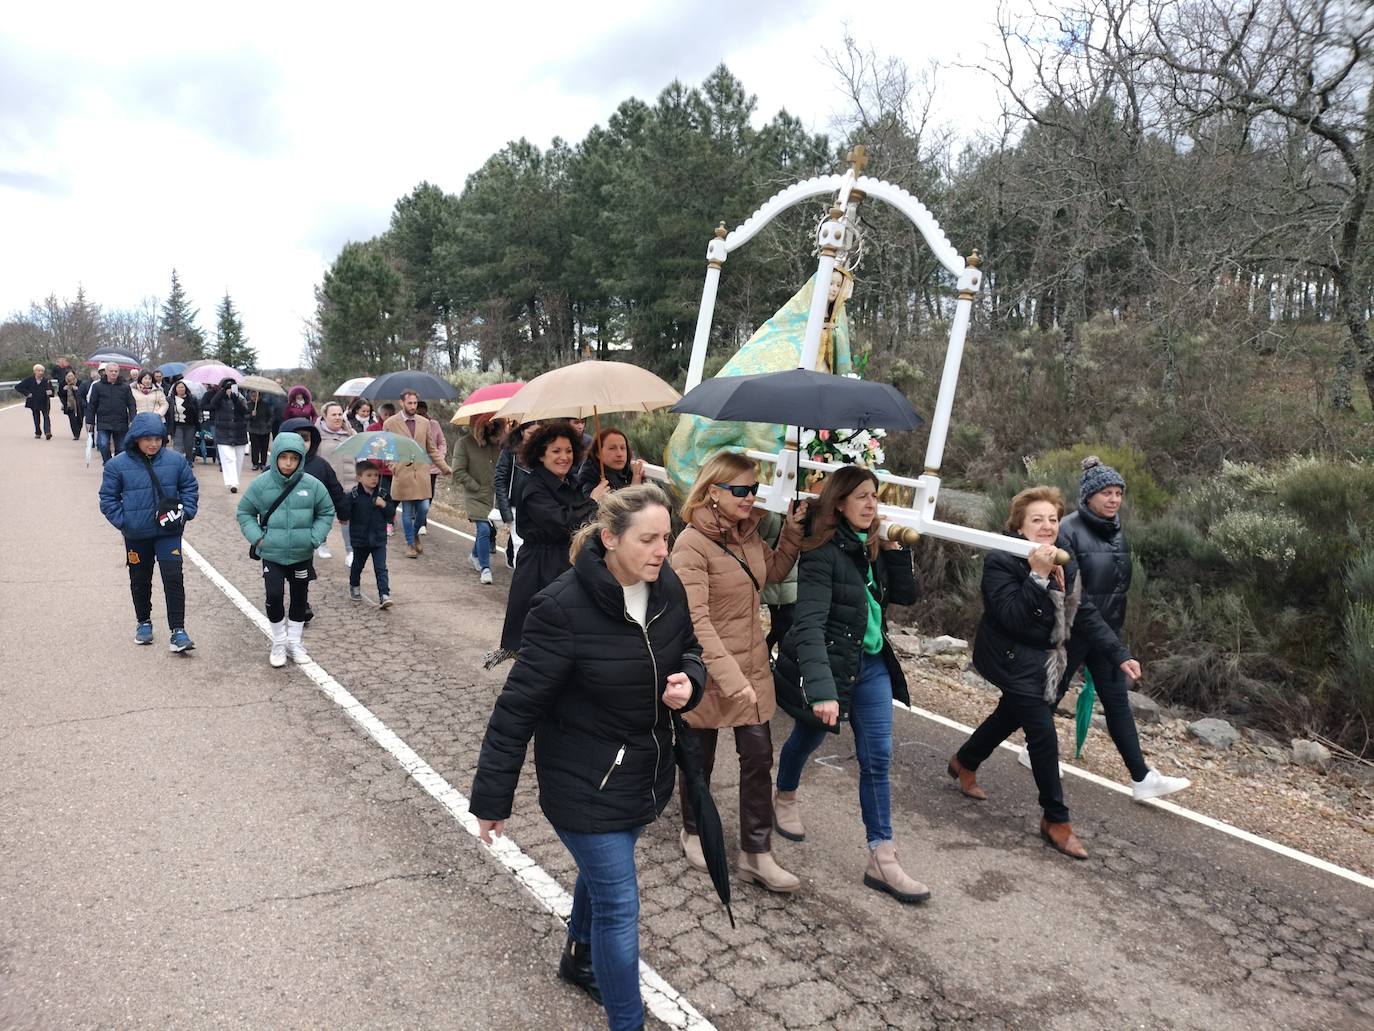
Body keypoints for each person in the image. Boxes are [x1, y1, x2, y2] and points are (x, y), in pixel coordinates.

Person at [470, 485, 705, 1031]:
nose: (660, 550)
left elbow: (691, 648)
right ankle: (628, 1023)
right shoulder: (560, 608)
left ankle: (578, 955)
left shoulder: (666, 586)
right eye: (647, 539)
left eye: (666, 537)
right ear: (609, 539)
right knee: (620, 907)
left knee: (602, 881)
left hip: (645, 773)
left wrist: (688, 682)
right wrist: (491, 798)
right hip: (584, 786)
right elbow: (516, 710)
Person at [949, 486, 1139, 861]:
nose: (1047, 526)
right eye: (1037, 519)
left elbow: (1082, 612)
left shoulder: (1064, 560)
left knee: (1009, 715)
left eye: (1052, 519)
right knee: (1042, 733)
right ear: (1019, 526)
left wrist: (1118, 654)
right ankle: (1056, 819)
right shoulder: (1002, 559)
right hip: (1009, 655)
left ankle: (965, 761)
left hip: (1044, 657)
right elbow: (1014, 618)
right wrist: (1036, 576)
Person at [773, 466, 930, 903]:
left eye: (874, 496)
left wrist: (895, 549)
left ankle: (881, 856)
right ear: (839, 502)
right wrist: (821, 690)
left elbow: (906, 594)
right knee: (808, 735)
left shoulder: (874, 547)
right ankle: (784, 793)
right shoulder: (822, 554)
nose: (870, 504)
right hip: (832, 667)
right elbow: (808, 625)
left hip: (872, 665)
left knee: (876, 757)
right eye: (860, 496)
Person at [670, 451, 806, 892]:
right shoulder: (690, 544)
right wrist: (730, 679)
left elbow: (771, 573)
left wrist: (792, 531)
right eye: (741, 490)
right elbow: (696, 621)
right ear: (713, 492)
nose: (751, 497)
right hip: (708, 668)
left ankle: (756, 852)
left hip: (751, 665)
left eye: (754, 489)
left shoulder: (747, 535)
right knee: (700, 757)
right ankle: (693, 829)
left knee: (758, 757)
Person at [1046, 458, 1190, 801]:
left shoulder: (1115, 530)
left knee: (1116, 702)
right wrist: (1116, 647)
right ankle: (1030, 748)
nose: (1113, 500)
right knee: (1049, 694)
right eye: (1106, 493)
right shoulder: (1067, 530)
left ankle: (1142, 778)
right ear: (1089, 495)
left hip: (1105, 633)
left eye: (1118, 493)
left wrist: (1114, 639)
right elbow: (1075, 597)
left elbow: (1116, 587)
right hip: (1074, 629)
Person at [488, 423, 599, 668]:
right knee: (539, 637)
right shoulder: (534, 488)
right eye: (556, 451)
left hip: (565, 563)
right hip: (540, 568)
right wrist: (593, 503)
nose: (564, 457)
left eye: (569, 451)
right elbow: (564, 523)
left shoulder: (568, 483)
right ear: (541, 454)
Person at [97, 411, 199, 651]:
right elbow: (107, 499)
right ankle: (143, 622)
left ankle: (178, 630)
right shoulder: (116, 465)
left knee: (173, 577)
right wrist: (126, 522)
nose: (153, 444)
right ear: (135, 439)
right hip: (136, 535)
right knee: (140, 580)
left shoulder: (176, 461)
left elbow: (189, 488)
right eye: (147, 439)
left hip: (168, 532)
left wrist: (185, 513)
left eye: (157, 438)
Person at [235, 433, 335, 667]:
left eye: (294, 458)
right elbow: (244, 512)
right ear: (276, 456)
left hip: (302, 554)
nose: (288, 463)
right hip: (272, 554)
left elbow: (326, 511)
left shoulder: (312, 485)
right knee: (274, 595)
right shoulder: (261, 484)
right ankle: (279, 641)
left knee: (300, 598)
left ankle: (295, 642)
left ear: (301, 459)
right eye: (283, 457)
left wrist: (315, 538)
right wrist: (259, 539)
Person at [382, 391, 451, 560]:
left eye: (415, 403)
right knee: (406, 511)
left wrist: (444, 467)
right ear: (402, 403)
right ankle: (410, 544)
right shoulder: (390, 423)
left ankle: (414, 534)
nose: (413, 406)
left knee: (424, 508)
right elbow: (386, 450)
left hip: (421, 472)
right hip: (402, 472)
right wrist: (393, 467)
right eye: (410, 403)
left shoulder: (424, 422)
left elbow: (432, 448)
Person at [279, 416, 349, 564]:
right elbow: (259, 497)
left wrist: (344, 513)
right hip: (280, 529)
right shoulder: (274, 468)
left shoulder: (321, 465)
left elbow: (335, 490)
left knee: (301, 574)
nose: (301, 443)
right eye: (296, 438)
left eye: (305, 439)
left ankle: (321, 543)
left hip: (310, 525)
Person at [451, 413, 502, 585]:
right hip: (476, 495)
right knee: (484, 529)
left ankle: (474, 555)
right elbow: (458, 471)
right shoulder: (464, 443)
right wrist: (475, 486)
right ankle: (485, 568)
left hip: (494, 496)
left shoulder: (498, 444)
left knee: (490, 530)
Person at [343, 460, 396, 609]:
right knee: (357, 565)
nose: (374, 478)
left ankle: (384, 594)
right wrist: (343, 510)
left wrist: (384, 504)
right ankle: (354, 585)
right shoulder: (353, 495)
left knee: (381, 567)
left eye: (376, 475)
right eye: (369, 475)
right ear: (359, 477)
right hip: (360, 539)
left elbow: (391, 515)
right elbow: (345, 513)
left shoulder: (383, 494)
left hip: (379, 538)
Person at [493, 420, 540, 568]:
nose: (535, 437)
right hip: (516, 505)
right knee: (520, 546)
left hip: (538, 506)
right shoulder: (510, 452)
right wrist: (506, 511)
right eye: (531, 433)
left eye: (538, 434)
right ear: (522, 432)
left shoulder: (545, 453)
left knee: (533, 548)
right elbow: (500, 480)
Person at [315, 402, 358, 562]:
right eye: (334, 414)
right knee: (325, 517)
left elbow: (359, 456)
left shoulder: (351, 433)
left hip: (350, 484)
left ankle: (350, 552)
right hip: (327, 485)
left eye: (340, 414)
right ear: (324, 416)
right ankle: (322, 543)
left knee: (347, 518)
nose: (338, 417)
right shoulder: (316, 435)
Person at [86, 363, 136, 463]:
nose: (113, 373)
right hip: (104, 421)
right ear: (106, 372)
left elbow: (131, 404)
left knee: (121, 447)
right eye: (111, 371)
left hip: (121, 421)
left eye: (116, 371)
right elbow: (92, 405)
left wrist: (133, 418)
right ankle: (108, 462)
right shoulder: (97, 386)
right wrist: (89, 421)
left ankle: (116, 464)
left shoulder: (125, 387)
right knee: (103, 444)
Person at [207, 377, 250, 492]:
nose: (230, 390)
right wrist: (223, 391)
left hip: (239, 432)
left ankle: (235, 480)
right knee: (228, 458)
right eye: (228, 388)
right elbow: (213, 403)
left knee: (238, 460)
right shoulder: (219, 400)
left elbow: (244, 411)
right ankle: (232, 482)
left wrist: (235, 398)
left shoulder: (240, 399)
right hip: (223, 433)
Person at [577, 427, 644, 497]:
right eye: (612, 448)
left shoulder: (629, 472)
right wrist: (635, 486)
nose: (619, 454)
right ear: (598, 453)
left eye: (623, 448)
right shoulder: (590, 480)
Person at [414, 400, 448, 536]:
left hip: (432, 466)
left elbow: (442, 442)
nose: (422, 414)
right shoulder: (411, 425)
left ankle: (421, 519)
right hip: (415, 466)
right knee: (416, 493)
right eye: (419, 412)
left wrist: (440, 456)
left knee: (429, 494)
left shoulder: (434, 424)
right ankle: (418, 519)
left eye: (423, 412)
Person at [16, 363, 56, 439]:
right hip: (33, 401)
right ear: (35, 371)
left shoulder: (46, 381)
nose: (40, 372)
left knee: (46, 416)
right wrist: (27, 393)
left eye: (42, 371)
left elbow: (52, 391)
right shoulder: (29, 380)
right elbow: (18, 387)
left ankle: (48, 432)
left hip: (45, 401)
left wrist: (51, 393)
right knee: (36, 417)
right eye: (39, 371)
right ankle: (38, 432)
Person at [164, 380, 201, 459]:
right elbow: (167, 414)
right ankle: (178, 461)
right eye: (179, 387)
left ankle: (189, 461)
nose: (181, 389)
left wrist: (198, 423)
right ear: (175, 389)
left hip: (190, 425)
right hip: (177, 425)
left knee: (189, 445)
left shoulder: (192, 398)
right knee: (178, 445)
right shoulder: (170, 399)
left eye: (182, 387)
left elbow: (197, 411)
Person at [247, 390, 274, 471]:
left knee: (264, 447)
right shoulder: (248, 405)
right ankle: (255, 463)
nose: (254, 398)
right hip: (253, 428)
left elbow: (271, 416)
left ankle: (263, 463)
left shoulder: (266, 405)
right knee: (254, 447)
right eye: (252, 396)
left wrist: (268, 424)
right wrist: (251, 415)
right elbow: (245, 416)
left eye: (256, 396)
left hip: (265, 429)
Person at [58, 370, 85, 440]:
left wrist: (77, 389)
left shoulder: (79, 383)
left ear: (74, 376)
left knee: (80, 419)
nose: (70, 377)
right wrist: (64, 390)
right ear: (66, 376)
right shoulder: (63, 383)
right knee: (72, 420)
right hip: (69, 405)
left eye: (72, 375)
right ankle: (76, 434)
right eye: (69, 376)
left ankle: (78, 431)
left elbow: (83, 393)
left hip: (79, 405)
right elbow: (60, 394)